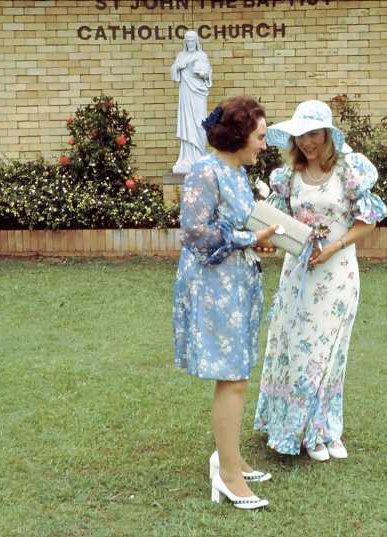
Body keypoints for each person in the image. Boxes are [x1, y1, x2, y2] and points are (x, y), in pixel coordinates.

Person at [253, 100, 387, 462]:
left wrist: (333, 248)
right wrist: (267, 240)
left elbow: (368, 221)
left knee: (330, 353)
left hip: (338, 274)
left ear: (327, 134)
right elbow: (278, 225)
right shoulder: (288, 177)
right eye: (300, 135)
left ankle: (328, 430)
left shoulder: (349, 171)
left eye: (313, 134)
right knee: (299, 351)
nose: (307, 142)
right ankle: (301, 432)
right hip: (298, 274)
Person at [173, 96, 278, 510]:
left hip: (238, 284)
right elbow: (195, 233)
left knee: (238, 374)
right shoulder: (205, 170)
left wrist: (258, 241)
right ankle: (228, 475)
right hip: (214, 287)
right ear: (239, 135)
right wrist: (249, 238)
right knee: (231, 376)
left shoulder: (237, 172)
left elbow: (235, 225)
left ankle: (230, 457)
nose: (264, 145)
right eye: (260, 136)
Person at [170, 31, 212, 174]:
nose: (190, 43)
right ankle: (187, 159)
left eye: (192, 40)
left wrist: (204, 74)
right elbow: (174, 70)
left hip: (199, 94)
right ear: (185, 42)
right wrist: (179, 66)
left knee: (199, 124)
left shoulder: (202, 55)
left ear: (196, 41)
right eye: (187, 41)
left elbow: (208, 73)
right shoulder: (181, 55)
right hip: (186, 94)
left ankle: (200, 155)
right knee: (187, 123)